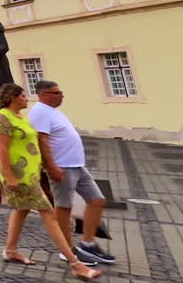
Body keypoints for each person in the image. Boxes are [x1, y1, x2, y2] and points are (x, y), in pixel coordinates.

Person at [0, 83, 100, 280]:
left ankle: (10, 250)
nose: (27, 98)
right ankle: (75, 263)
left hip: (31, 172)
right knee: (49, 214)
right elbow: (3, 150)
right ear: (13, 97)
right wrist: (9, 177)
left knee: (21, 210)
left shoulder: (21, 117)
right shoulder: (2, 118)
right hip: (19, 174)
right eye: (23, 95)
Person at [29, 80, 117, 267]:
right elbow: (42, 141)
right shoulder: (39, 112)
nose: (61, 95)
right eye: (56, 92)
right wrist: (51, 167)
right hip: (61, 166)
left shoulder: (54, 112)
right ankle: (67, 250)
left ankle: (88, 244)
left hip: (77, 165)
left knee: (97, 200)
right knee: (63, 207)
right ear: (43, 94)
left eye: (61, 92)